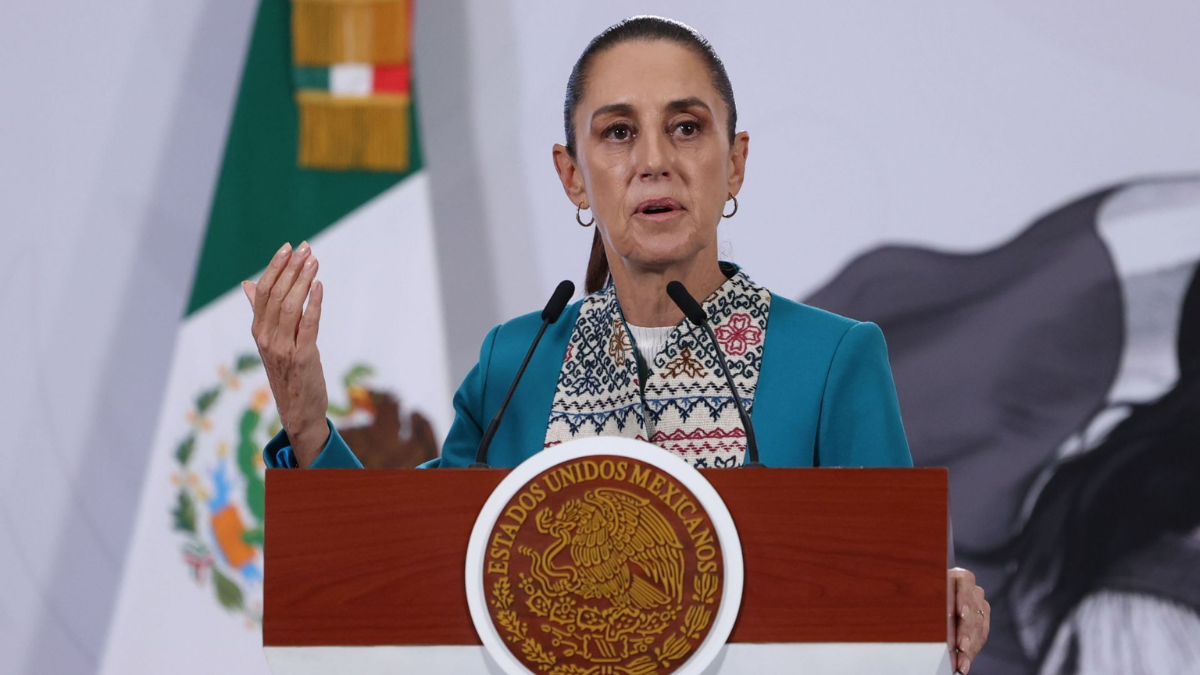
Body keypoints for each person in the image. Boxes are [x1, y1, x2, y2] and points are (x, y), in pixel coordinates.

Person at [242, 16, 990, 673]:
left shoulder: (832, 360)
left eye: (688, 127)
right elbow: (403, 578)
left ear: (735, 162)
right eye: (619, 131)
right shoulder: (516, 362)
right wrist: (307, 423)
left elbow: (885, 595)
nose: (654, 159)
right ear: (572, 176)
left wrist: (926, 595)